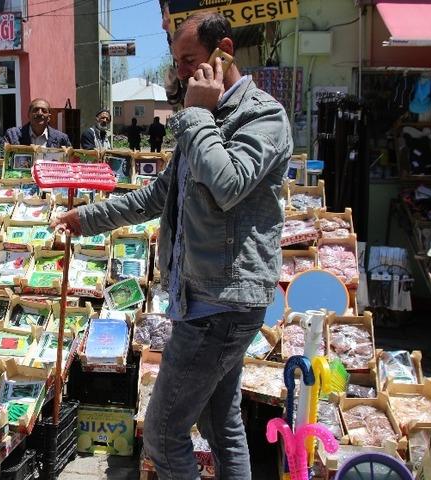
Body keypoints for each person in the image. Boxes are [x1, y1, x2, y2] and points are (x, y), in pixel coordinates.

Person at [51, 12, 292, 479]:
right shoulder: (205, 117)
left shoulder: (261, 114)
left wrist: (198, 114)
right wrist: (88, 217)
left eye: (189, 60)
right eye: (178, 61)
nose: (181, 71)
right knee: (221, 423)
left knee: (162, 433)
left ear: (224, 50)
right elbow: (160, 194)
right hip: (201, 298)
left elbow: (228, 183)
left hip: (220, 304)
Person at [3, 98, 72, 147]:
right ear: (28, 114)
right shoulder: (11, 135)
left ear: (49, 117)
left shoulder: (61, 139)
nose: (39, 113)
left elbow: (69, 162)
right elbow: (2, 159)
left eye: (44, 111)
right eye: (35, 110)